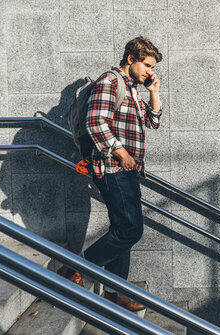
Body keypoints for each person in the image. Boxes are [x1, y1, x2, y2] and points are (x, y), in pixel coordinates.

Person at [58, 36, 163, 312]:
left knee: (121, 230)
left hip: (127, 170)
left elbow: (153, 121)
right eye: (147, 65)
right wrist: (122, 153)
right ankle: (74, 269)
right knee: (131, 229)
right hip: (113, 167)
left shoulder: (131, 88)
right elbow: (95, 121)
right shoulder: (111, 81)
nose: (150, 71)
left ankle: (116, 292)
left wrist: (154, 91)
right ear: (131, 59)